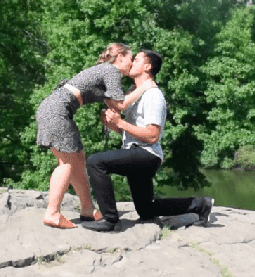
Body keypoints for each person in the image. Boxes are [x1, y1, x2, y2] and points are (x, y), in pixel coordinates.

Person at [82, 49, 213, 232]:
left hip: (147, 155)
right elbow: (130, 132)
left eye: (136, 59)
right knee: (145, 210)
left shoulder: (153, 95)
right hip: (136, 152)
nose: (131, 62)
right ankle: (200, 205)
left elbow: (152, 135)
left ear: (147, 66)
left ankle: (110, 220)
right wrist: (113, 124)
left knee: (95, 162)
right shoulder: (135, 93)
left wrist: (121, 122)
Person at [36, 43, 156, 229]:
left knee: (77, 157)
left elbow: (114, 104)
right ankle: (52, 213)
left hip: (53, 108)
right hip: (57, 111)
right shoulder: (111, 71)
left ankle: (88, 209)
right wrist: (145, 87)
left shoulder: (105, 72)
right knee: (66, 162)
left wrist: (113, 118)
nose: (131, 64)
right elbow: (121, 105)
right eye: (131, 60)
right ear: (121, 57)